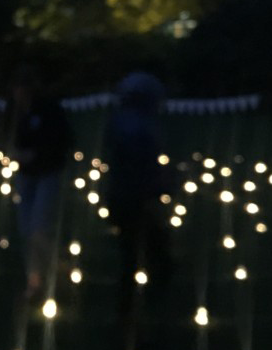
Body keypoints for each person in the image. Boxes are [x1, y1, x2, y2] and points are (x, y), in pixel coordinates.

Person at [105, 72, 174, 350]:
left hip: (121, 199)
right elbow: (142, 166)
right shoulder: (139, 126)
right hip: (134, 200)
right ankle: (133, 323)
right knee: (145, 258)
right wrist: (160, 188)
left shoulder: (120, 121)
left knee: (133, 257)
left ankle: (131, 318)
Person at [5, 65, 73, 299]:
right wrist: (13, 151)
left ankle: (58, 269)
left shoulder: (49, 109)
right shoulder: (14, 111)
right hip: (25, 176)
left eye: (21, 90)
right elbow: (8, 135)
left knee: (39, 228)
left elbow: (62, 141)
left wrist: (37, 154)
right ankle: (35, 280)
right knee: (27, 230)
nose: (18, 95)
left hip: (47, 174)